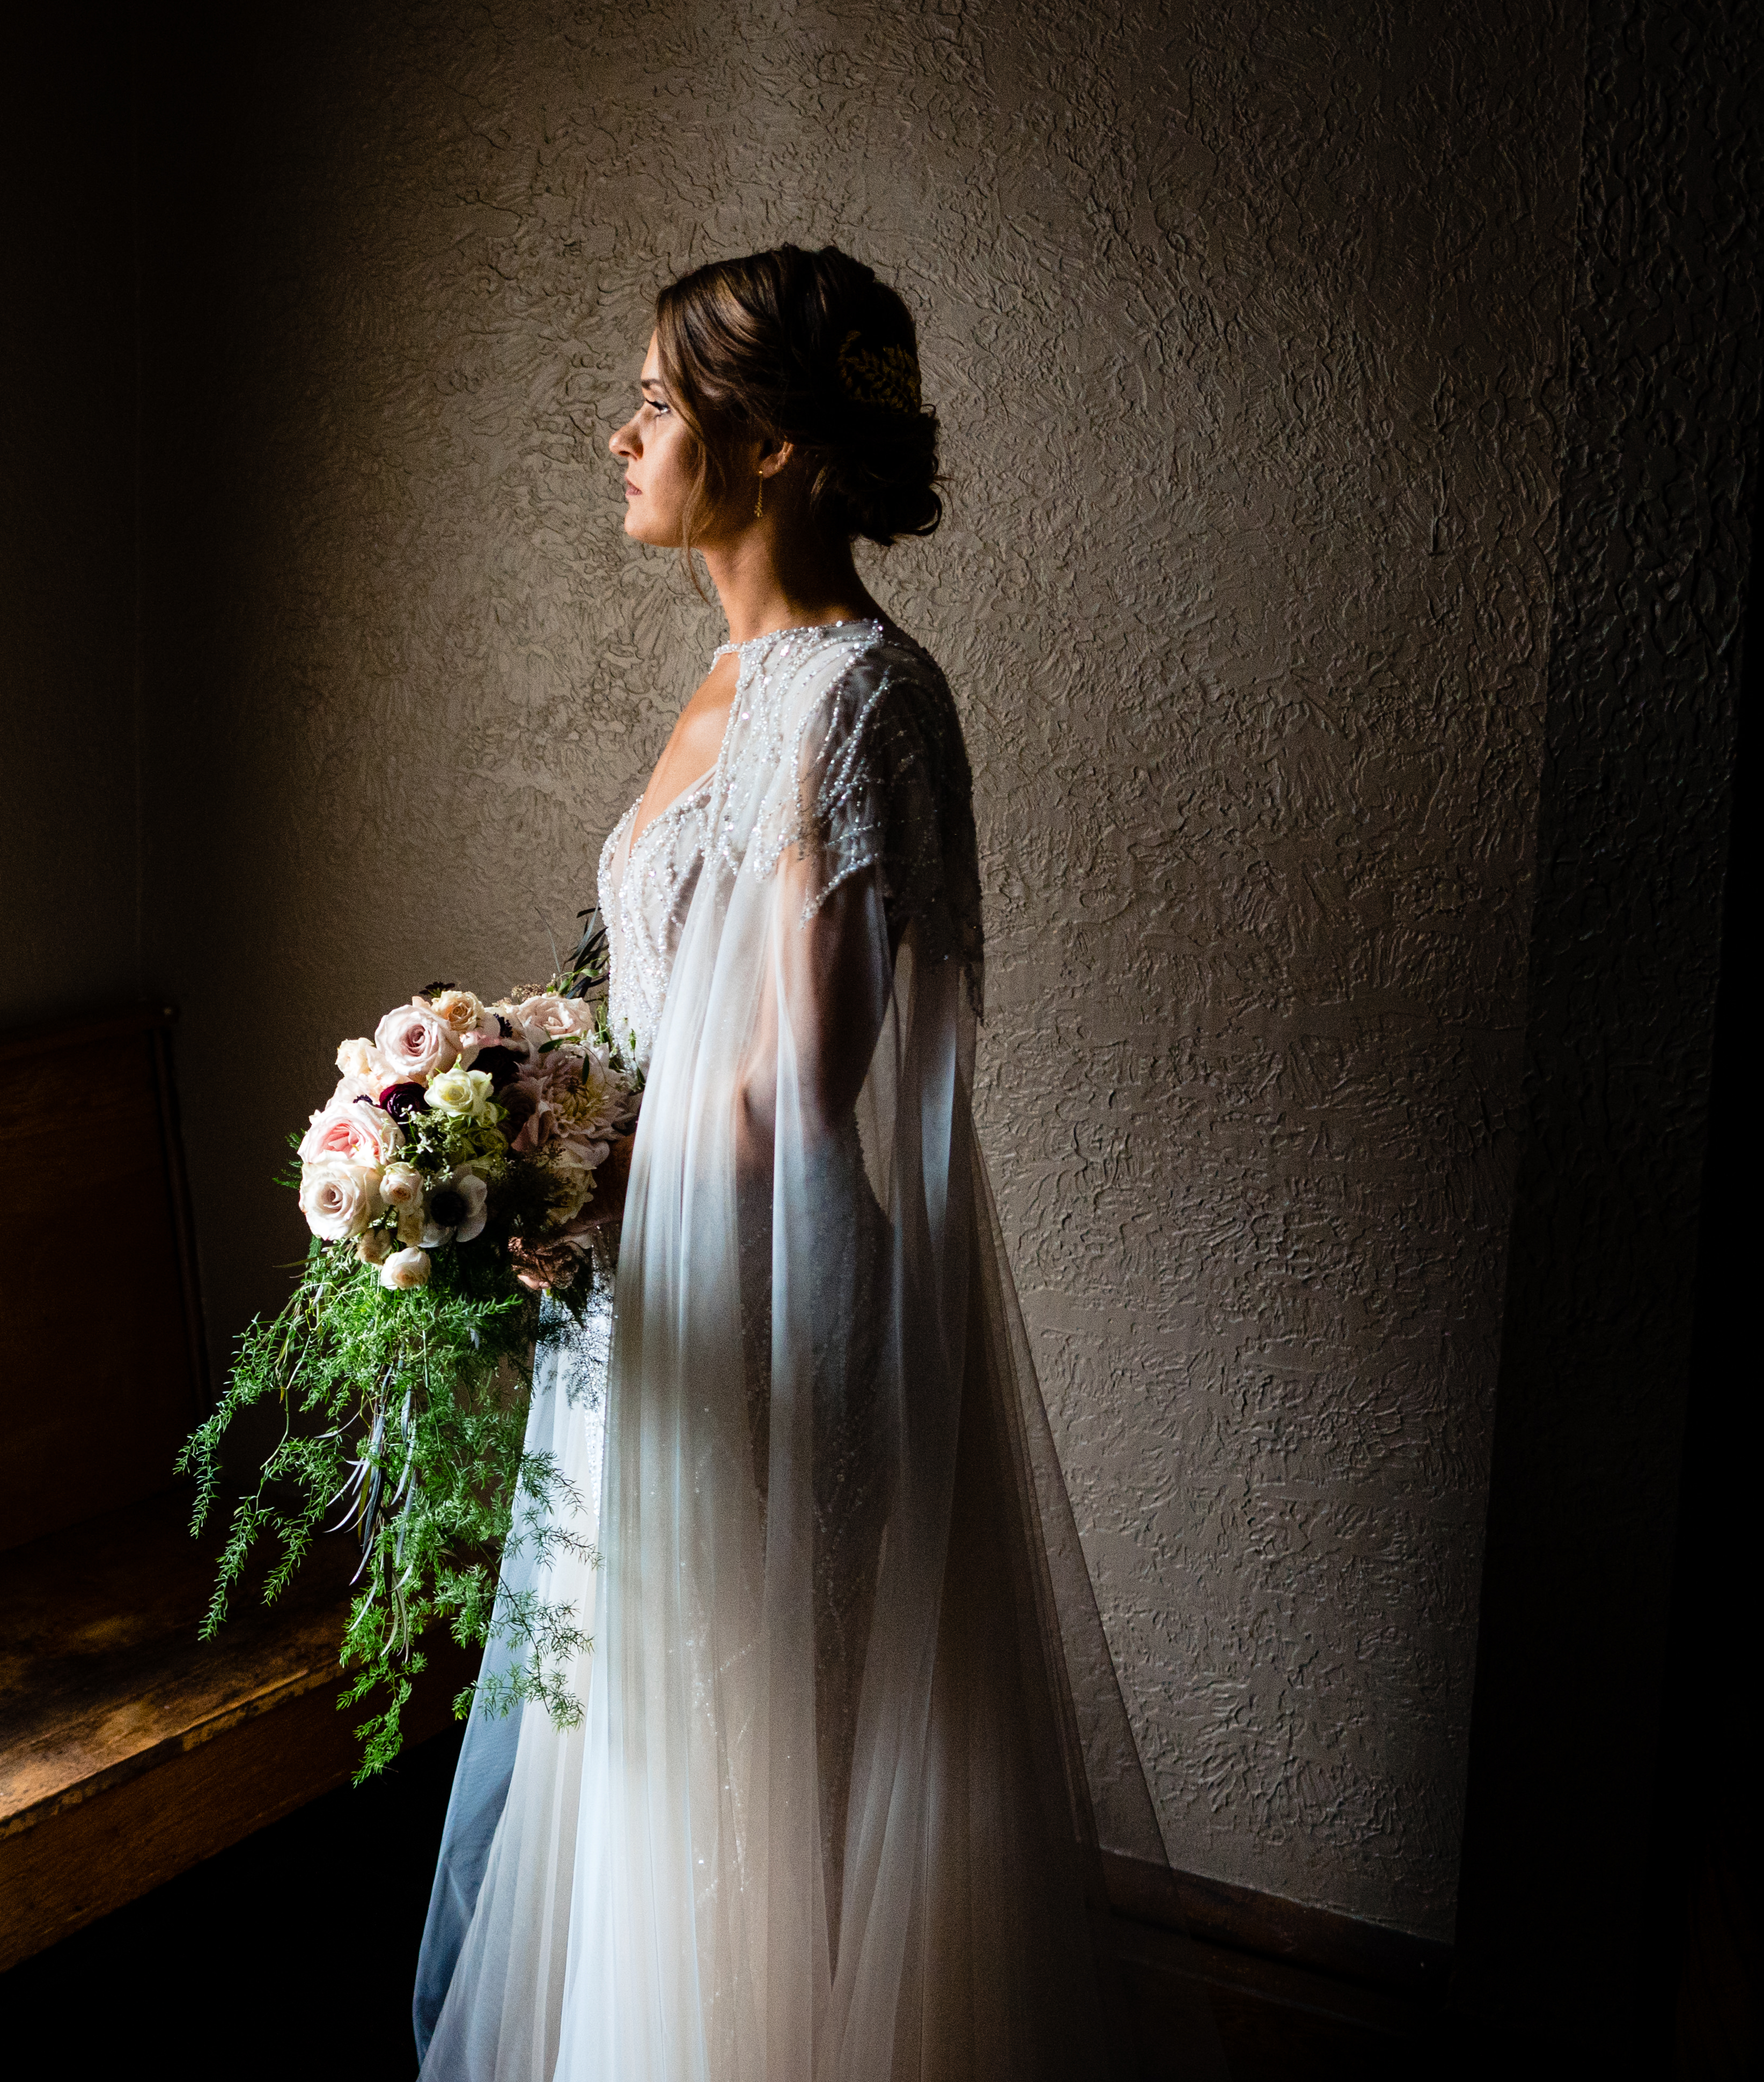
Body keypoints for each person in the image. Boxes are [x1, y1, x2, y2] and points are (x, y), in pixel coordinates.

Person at [413, 245, 1200, 2081]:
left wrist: (579, 1188)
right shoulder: (724, 681)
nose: (619, 436)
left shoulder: (861, 697)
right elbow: (673, 1016)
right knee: (645, 1742)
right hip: (653, 1290)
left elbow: (792, 1084)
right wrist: (518, 1108)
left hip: (773, 1289)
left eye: (659, 404)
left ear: (770, 445)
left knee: (766, 1748)